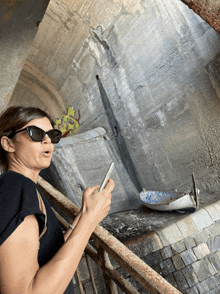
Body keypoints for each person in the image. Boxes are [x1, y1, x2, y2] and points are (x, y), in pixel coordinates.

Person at [0, 106, 115, 294]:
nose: (47, 141)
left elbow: (48, 252)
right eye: (36, 133)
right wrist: (90, 220)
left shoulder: (25, 187)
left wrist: (85, 214)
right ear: (8, 144)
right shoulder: (17, 190)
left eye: (52, 135)